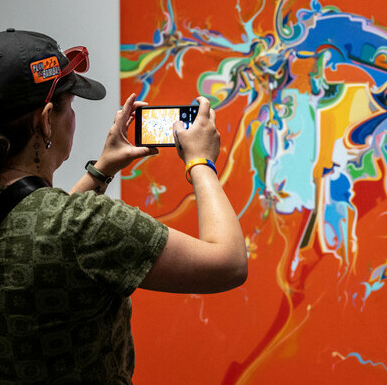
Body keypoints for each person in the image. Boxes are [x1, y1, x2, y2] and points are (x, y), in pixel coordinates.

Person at [0, 28, 248, 383]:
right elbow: (228, 263)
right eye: (70, 107)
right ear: (45, 121)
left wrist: (101, 171)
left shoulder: (57, 225)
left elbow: (42, 229)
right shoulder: (85, 226)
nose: (74, 118)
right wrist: (201, 163)